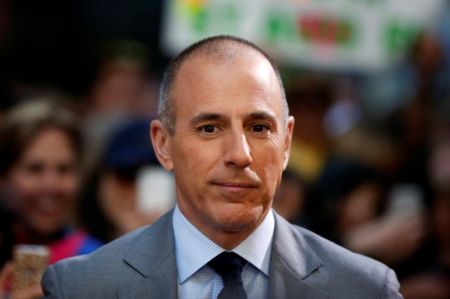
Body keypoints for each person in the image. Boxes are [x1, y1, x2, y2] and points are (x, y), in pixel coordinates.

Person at [41, 35, 402, 299]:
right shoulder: (79, 288)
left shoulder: (365, 289)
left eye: (259, 128)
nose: (240, 154)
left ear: (287, 142)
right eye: (209, 128)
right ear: (163, 144)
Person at [0, 100, 102, 298]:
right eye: (35, 169)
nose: (52, 185)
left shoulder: (98, 263)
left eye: (64, 169)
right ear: (3, 177)